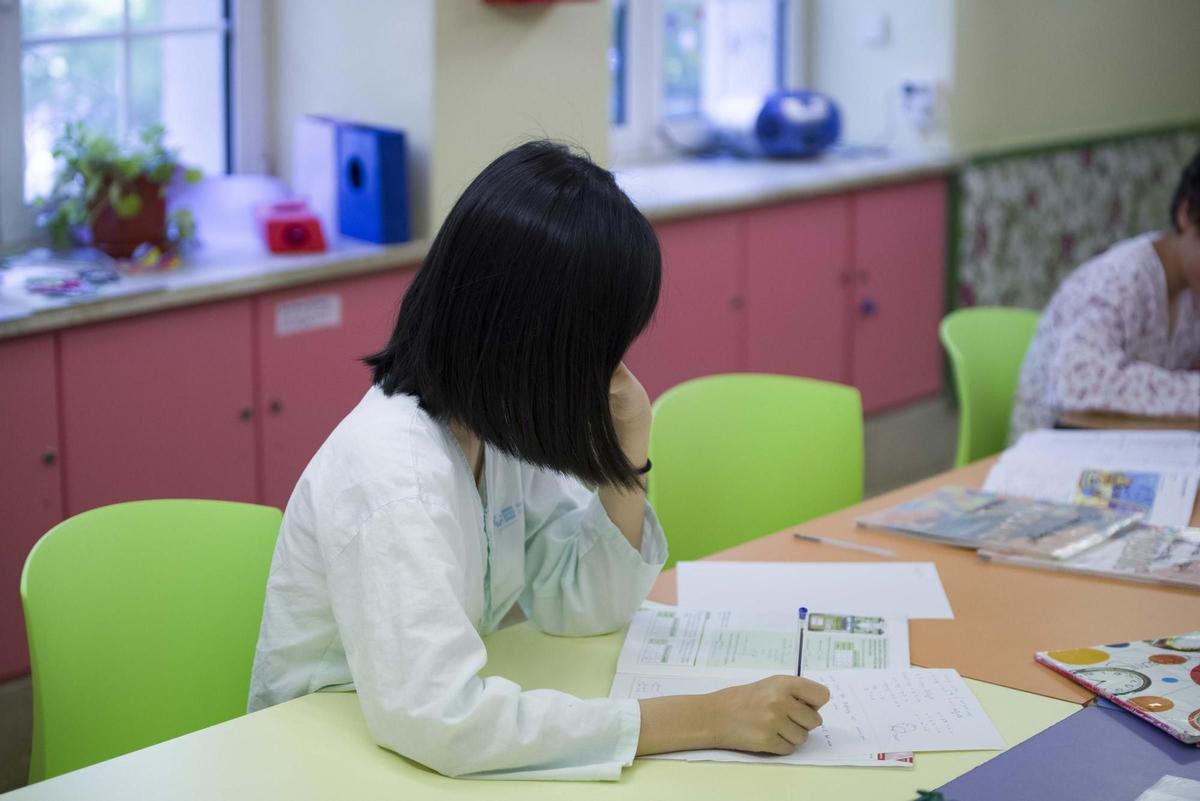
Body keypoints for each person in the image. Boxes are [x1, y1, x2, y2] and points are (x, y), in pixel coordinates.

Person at [248, 141, 829, 780]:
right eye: (599, 344)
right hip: (325, 762)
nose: (607, 366)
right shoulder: (394, 475)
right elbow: (443, 719)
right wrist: (707, 718)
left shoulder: (487, 431)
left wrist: (631, 436)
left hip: (405, 754)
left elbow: (585, 604)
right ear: (532, 338)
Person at [1011, 149, 1200, 436]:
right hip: (1055, 448)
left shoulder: (1191, 290)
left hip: (1129, 442)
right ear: (1187, 214)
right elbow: (1075, 383)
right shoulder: (1124, 278)